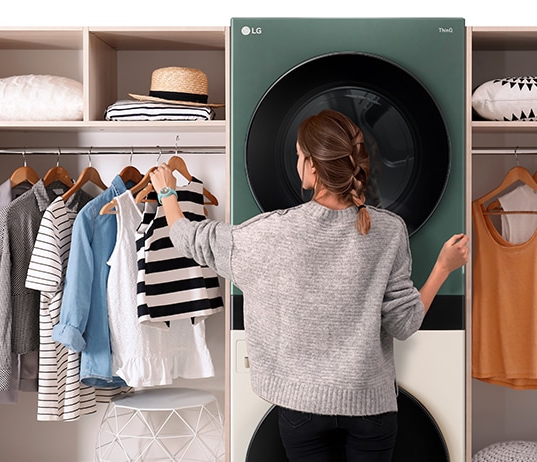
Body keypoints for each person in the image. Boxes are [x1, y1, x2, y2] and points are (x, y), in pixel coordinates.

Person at [149, 108, 469, 461]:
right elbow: (403, 324)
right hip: (371, 408)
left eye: (299, 155)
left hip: (302, 409)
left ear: (313, 166)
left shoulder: (273, 231)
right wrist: (442, 267)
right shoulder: (390, 230)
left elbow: (190, 239)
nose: (297, 162)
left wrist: (167, 193)